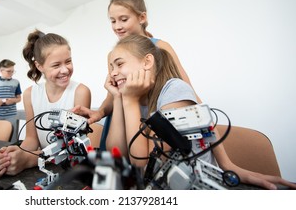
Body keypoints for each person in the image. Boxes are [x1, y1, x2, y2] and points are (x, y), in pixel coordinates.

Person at [105, 34, 296, 190]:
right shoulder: (135, 98)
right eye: (110, 68)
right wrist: (117, 98)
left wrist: (128, 100)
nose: (112, 73)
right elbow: (117, 153)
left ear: (147, 62)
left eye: (119, 64)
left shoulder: (174, 91)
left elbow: (141, 161)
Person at [73, 0, 200, 125]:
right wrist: (100, 112)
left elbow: (187, 88)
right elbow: (113, 96)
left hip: (154, 122)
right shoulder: (113, 55)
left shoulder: (161, 47)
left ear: (142, 18)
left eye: (123, 19)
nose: (117, 26)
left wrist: (203, 118)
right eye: (113, 21)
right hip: (125, 123)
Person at [0, 30, 91, 177]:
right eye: (56, 65)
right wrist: (13, 156)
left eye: (68, 61)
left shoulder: (81, 92)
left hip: (69, 169)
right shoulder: (30, 94)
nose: (65, 70)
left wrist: (28, 159)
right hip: (45, 165)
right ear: (39, 66)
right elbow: (31, 139)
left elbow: (72, 147)